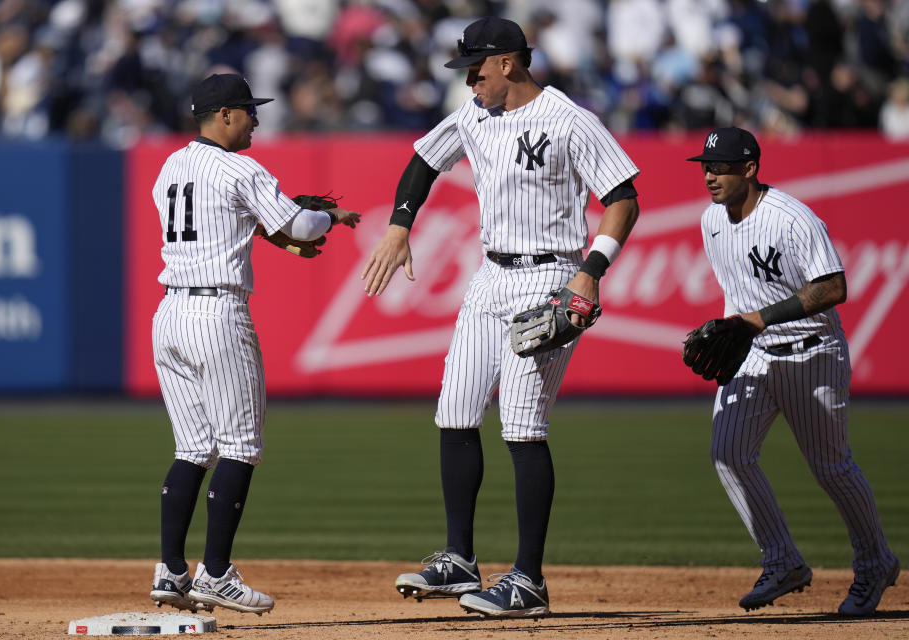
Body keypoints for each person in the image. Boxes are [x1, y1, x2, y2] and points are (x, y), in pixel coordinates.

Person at [362, 17, 640, 618]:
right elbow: (423, 160)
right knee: (456, 409)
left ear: (508, 63)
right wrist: (399, 226)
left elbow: (622, 197)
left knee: (521, 425)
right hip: (490, 275)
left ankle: (529, 580)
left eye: (476, 69)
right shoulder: (474, 117)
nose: (469, 81)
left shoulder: (568, 118)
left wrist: (590, 271)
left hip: (550, 274)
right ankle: (460, 557)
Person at [148, 73, 359, 615]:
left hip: (170, 310)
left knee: (193, 449)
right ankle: (215, 574)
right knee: (240, 447)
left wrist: (277, 233)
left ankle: (171, 570)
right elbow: (303, 225)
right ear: (223, 115)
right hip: (217, 312)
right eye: (248, 110)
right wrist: (324, 217)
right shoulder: (241, 167)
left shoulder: (170, 166)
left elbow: (232, 223)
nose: (256, 119)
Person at [686, 126, 899, 616]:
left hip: (812, 352)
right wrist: (728, 331)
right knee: (729, 454)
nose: (710, 175)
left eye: (720, 166)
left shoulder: (791, 219)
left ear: (750, 168)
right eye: (705, 166)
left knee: (831, 467)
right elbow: (738, 293)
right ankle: (781, 560)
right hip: (754, 353)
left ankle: (874, 562)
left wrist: (757, 319)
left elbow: (833, 287)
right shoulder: (710, 220)